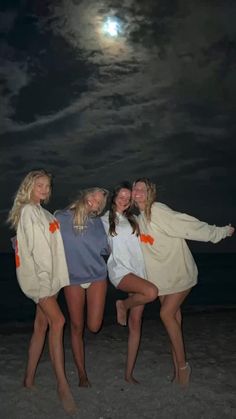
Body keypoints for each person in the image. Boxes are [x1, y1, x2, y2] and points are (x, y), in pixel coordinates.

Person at [132, 177, 235, 387]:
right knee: (174, 324)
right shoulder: (139, 218)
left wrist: (219, 232)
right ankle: (176, 367)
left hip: (180, 274)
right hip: (162, 279)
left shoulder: (157, 210)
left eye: (142, 188)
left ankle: (183, 367)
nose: (137, 191)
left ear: (150, 192)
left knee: (166, 314)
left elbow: (187, 224)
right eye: (135, 189)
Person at [7, 169, 77, 414]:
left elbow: (54, 247)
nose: (45, 190)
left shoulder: (45, 213)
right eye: (40, 185)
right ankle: (62, 385)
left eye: (47, 186)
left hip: (53, 280)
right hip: (41, 281)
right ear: (29, 187)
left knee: (41, 326)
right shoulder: (28, 211)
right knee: (58, 321)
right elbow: (36, 252)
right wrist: (46, 284)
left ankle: (28, 380)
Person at [101, 181, 158, 384]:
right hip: (120, 271)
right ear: (114, 198)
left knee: (135, 325)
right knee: (151, 293)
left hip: (140, 271)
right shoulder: (103, 220)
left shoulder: (134, 219)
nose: (125, 200)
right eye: (121, 196)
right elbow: (81, 229)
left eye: (128, 197)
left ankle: (128, 374)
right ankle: (122, 304)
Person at [55, 187, 109, 388]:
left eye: (99, 202)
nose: (95, 201)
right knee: (76, 326)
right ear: (85, 195)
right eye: (94, 196)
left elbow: (108, 247)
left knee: (93, 326)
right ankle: (81, 374)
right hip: (73, 278)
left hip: (96, 275)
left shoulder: (98, 224)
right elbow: (42, 235)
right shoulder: (61, 217)